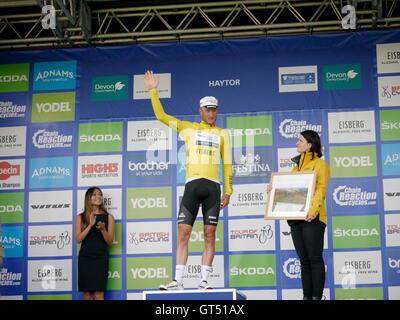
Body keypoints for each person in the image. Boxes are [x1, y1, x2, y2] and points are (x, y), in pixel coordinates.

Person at [144, 70, 233, 290]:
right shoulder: (188, 128)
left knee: (209, 234)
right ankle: (178, 281)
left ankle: (204, 281)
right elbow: (162, 117)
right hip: (192, 185)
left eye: (214, 110)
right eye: (208, 110)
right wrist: (153, 91)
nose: (212, 114)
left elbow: (228, 163)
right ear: (201, 110)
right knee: (183, 233)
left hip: (213, 187)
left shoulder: (223, 134)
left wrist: (228, 190)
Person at [268, 130, 330, 300]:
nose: (297, 143)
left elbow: (321, 190)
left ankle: (317, 297)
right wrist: (274, 190)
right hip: (296, 219)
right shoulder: (296, 167)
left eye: (300, 140)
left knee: (314, 258)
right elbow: (290, 192)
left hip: (313, 218)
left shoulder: (320, 164)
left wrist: (313, 210)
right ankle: (306, 297)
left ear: (310, 145)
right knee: (304, 260)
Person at [75, 187, 115, 300]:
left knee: (98, 294)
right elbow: (78, 239)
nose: (98, 197)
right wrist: (90, 225)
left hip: (100, 258)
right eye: (94, 194)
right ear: (88, 198)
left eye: (100, 194)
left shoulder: (109, 217)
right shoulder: (81, 217)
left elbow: (110, 241)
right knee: (87, 294)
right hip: (85, 258)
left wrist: (103, 229)